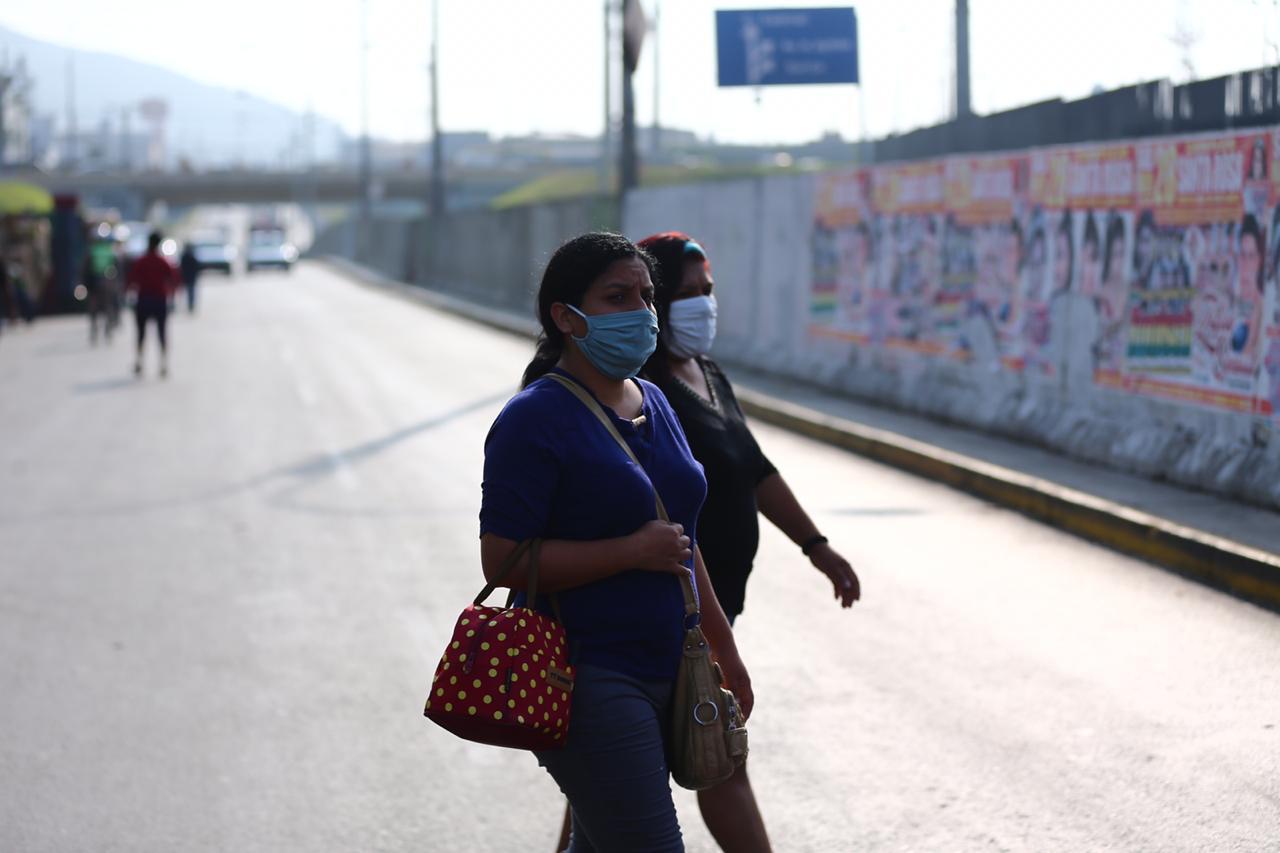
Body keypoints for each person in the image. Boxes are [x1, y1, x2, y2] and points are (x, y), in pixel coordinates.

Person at [481, 232, 752, 853]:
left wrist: (723, 648)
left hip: (672, 665)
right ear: (565, 316)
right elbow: (501, 559)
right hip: (588, 676)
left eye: (646, 296)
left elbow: (683, 543)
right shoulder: (534, 418)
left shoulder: (653, 399)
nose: (642, 312)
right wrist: (628, 552)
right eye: (618, 297)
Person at [632, 231, 859, 853]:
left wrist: (817, 546)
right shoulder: (641, 389)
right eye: (687, 295)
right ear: (652, 302)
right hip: (670, 612)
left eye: (708, 291)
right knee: (710, 756)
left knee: (625, 779)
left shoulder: (705, 372)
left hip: (717, 603)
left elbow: (752, 469)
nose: (704, 305)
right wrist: (717, 638)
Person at [127, 232, 178, 378]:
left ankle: (139, 362)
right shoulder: (163, 261)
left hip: (143, 300)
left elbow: (132, 280)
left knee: (141, 334)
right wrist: (172, 299)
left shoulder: (141, 261)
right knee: (161, 333)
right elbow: (172, 280)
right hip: (159, 300)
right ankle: (163, 364)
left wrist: (130, 296)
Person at [179, 242, 201, 313]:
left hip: (187, 277)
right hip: (190, 277)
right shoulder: (191, 257)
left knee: (189, 292)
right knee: (190, 292)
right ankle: (190, 304)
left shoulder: (184, 256)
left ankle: (190, 304)